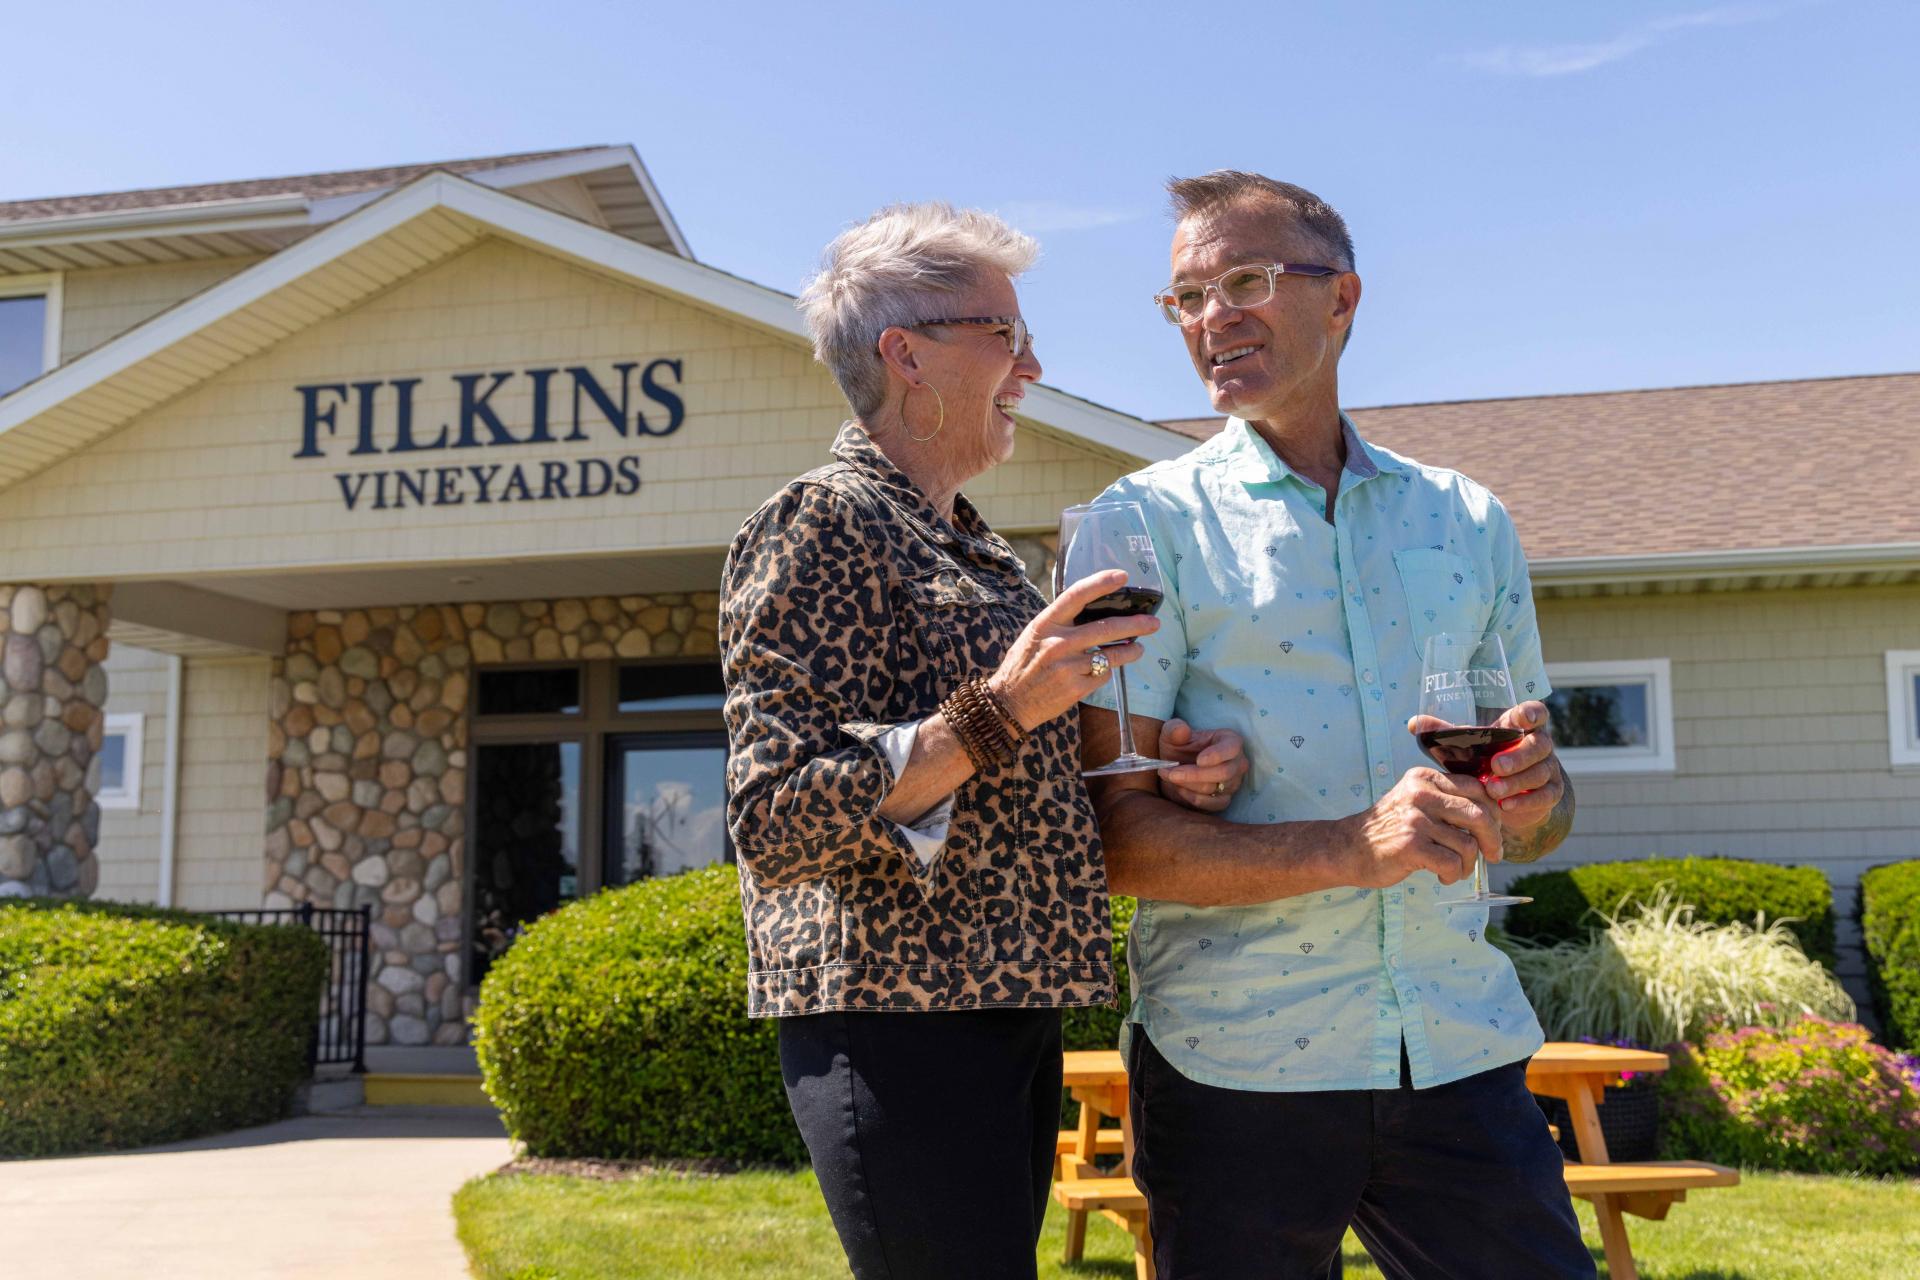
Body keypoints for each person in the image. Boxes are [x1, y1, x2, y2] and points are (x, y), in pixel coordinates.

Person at [720, 202, 1249, 1280]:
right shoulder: (820, 522)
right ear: (904, 354)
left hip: (1006, 1005)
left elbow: (1018, 771)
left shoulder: (986, 555)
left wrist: (1161, 772)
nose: (1035, 363)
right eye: (1004, 335)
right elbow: (775, 819)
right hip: (895, 1023)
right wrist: (997, 707)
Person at [1080, 172, 1593, 1279]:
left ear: (1343, 298)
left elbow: (1540, 824)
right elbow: (1115, 840)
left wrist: (1538, 798)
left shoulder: (1467, 519)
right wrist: (1352, 847)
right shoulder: (1140, 525)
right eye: (1187, 297)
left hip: (1457, 1047)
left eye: (1248, 280)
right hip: (1235, 1068)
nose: (1214, 316)